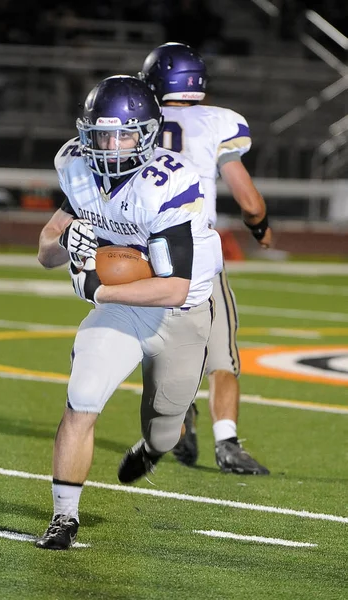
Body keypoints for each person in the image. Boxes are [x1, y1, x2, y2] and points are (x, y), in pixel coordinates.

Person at [35, 75, 223, 550]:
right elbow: (45, 251)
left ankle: (156, 446)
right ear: (86, 134)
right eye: (101, 134)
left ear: (147, 134)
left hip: (181, 310)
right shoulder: (76, 166)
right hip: (122, 310)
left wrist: (100, 289)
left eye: (124, 133)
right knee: (82, 398)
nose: (112, 145)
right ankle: (63, 518)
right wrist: (68, 243)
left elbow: (175, 286)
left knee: (164, 429)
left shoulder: (170, 182)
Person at [138, 42, 272, 475]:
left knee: (162, 347)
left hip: (147, 253)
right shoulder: (218, 122)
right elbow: (249, 201)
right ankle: (227, 442)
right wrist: (259, 227)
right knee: (222, 354)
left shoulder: (138, 121)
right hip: (197, 249)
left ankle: (176, 420)